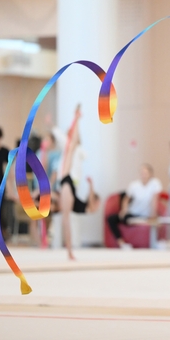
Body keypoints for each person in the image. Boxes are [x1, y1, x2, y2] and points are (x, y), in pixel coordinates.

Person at [53, 105, 101, 260]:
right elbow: (72, 140)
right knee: (66, 217)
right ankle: (69, 250)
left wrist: (91, 185)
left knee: (91, 209)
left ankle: (69, 250)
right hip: (66, 182)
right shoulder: (68, 151)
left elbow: (75, 140)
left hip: (72, 185)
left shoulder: (78, 151)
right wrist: (76, 118)